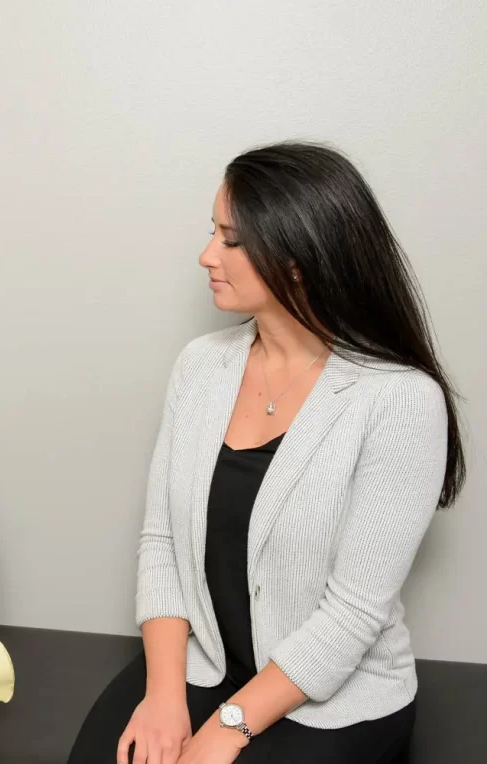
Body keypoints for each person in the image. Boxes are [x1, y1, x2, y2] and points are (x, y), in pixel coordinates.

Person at [67, 141, 466, 764]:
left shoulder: (399, 401)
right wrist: (165, 697)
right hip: (204, 669)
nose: (206, 256)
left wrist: (224, 733)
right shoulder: (200, 367)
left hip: (326, 697)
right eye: (212, 233)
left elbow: (355, 612)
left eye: (231, 239)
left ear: (298, 256)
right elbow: (161, 542)